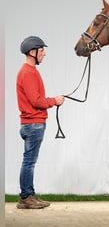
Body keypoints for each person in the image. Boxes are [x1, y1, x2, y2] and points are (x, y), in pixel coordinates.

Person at [16, 36, 64, 209]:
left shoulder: (30, 71)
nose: (44, 53)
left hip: (32, 123)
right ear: (32, 52)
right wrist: (54, 100)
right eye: (42, 50)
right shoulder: (28, 73)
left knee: (29, 161)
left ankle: (29, 195)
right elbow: (36, 101)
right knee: (29, 161)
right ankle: (26, 197)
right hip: (33, 124)